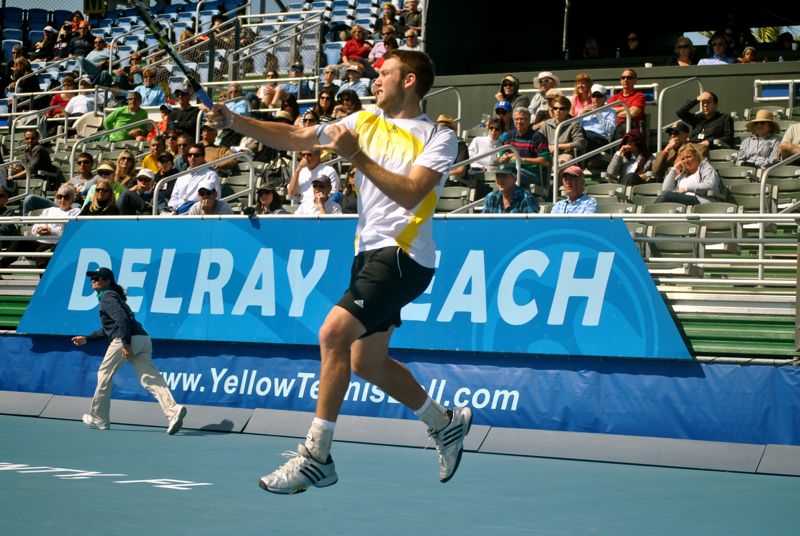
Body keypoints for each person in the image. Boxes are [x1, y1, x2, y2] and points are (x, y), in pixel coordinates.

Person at [204, 49, 470, 494]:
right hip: (367, 254)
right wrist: (234, 121)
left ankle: (316, 456)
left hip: (403, 255)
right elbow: (294, 135)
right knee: (366, 362)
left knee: (332, 334)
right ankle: (444, 423)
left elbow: (411, 193)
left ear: (409, 81)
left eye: (385, 73)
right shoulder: (363, 122)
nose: (376, 79)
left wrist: (355, 157)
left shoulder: (437, 137)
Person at [71, 267, 187, 434]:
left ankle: (99, 418)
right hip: (143, 339)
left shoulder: (107, 297)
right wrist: (87, 338)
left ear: (107, 281)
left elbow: (122, 320)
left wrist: (125, 344)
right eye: (92, 278)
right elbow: (110, 328)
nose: (94, 280)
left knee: (104, 375)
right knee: (150, 379)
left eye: (98, 278)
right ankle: (173, 410)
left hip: (127, 340)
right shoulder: (113, 297)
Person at [0, 184, 80, 270]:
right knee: (20, 241)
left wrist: (51, 231)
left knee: (41, 254)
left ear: (72, 199)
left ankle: (44, 280)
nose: (62, 200)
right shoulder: (49, 210)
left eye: (66, 197)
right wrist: (38, 230)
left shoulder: (75, 212)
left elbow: (71, 232)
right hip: (39, 240)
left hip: (55, 244)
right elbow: (35, 227)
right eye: (59, 196)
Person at [498, 107, 552, 189]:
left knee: (509, 174)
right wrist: (503, 158)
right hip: (512, 170)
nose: (519, 122)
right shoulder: (509, 136)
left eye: (522, 119)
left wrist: (522, 159)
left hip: (533, 174)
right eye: (516, 119)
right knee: (499, 173)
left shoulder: (537, 137)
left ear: (529, 121)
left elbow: (546, 161)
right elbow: (500, 158)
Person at [656, 144, 720, 205]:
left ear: (697, 157)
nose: (686, 161)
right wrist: (674, 169)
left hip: (700, 201)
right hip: (682, 204)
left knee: (666, 196)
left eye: (688, 157)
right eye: (683, 159)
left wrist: (686, 189)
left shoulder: (705, 168)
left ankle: (647, 215)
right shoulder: (682, 175)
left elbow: (711, 185)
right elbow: (666, 190)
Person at [168, 143, 221, 213]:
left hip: (197, 212)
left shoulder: (211, 175)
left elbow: (216, 198)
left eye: (196, 155)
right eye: (190, 155)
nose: (192, 157)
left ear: (203, 157)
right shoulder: (181, 176)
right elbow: (174, 197)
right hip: (177, 211)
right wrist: (172, 209)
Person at [540, 96, 586, 164]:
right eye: (555, 108)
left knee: (561, 161)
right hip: (548, 154)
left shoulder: (574, 124)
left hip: (565, 155)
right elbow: (537, 140)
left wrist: (557, 146)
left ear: (567, 110)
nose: (558, 111)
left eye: (562, 108)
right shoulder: (547, 124)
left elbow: (579, 144)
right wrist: (547, 147)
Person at [607, 68, 646, 134]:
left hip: (629, 129)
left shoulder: (639, 96)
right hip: (612, 128)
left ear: (635, 81)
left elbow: (633, 113)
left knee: (625, 127)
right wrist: (626, 108)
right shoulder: (614, 98)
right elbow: (607, 112)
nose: (625, 80)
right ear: (620, 81)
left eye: (629, 78)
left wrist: (614, 113)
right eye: (623, 77)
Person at [580, 84, 617, 152]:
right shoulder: (586, 109)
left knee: (583, 138)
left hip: (599, 138)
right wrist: (581, 115)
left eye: (599, 96)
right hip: (583, 136)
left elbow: (610, 130)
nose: (596, 99)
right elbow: (575, 127)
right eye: (593, 96)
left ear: (605, 98)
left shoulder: (610, 111)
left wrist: (597, 113)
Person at [437, 114, 469, 185]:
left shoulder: (460, 146)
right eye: (440, 128)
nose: (442, 131)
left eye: (445, 128)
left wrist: (440, 175)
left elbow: (461, 171)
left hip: (451, 183)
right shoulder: (433, 146)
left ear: (451, 131)